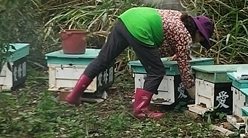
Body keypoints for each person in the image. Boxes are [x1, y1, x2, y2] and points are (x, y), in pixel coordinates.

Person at [62, 7, 214, 119]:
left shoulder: (178, 16)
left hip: (127, 18)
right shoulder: (185, 35)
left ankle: (74, 95)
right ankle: (141, 109)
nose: (197, 43)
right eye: (201, 40)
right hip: (140, 28)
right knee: (156, 71)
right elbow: (184, 69)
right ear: (198, 32)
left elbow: (160, 43)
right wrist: (194, 94)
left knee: (104, 59)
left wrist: (180, 54)